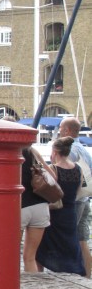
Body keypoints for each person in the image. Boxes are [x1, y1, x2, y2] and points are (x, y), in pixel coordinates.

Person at [36, 136, 86, 275]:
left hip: (54, 213)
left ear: (55, 152)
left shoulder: (53, 169)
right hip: (70, 213)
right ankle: (74, 271)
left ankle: (40, 277)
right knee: (70, 245)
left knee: (43, 248)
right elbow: (78, 192)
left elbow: (46, 190)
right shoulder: (78, 168)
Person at [58, 117, 92, 278]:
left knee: (67, 239)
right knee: (82, 240)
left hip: (75, 201)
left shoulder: (70, 150)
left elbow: (66, 174)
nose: (59, 130)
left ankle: (67, 274)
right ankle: (87, 276)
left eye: (60, 127)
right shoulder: (84, 149)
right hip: (85, 199)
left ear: (66, 130)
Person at [21, 145, 51, 272]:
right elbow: (53, 176)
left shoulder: (9, 150)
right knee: (30, 257)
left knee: (10, 255)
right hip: (40, 206)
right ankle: (32, 285)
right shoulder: (33, 151)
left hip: (20, 206)